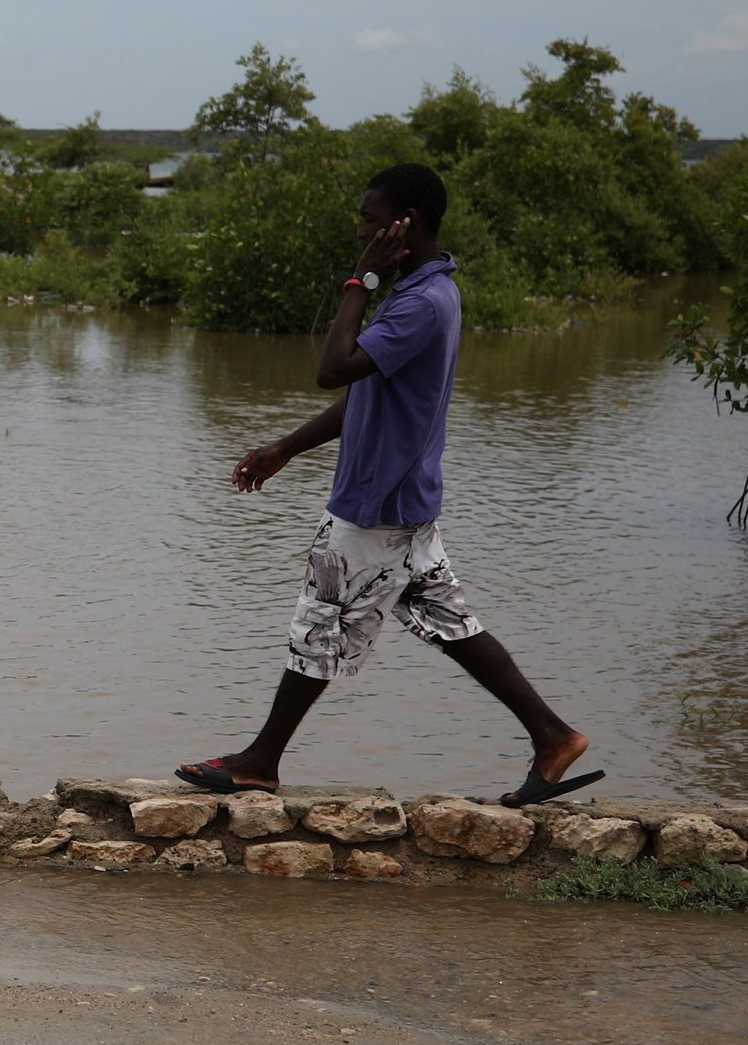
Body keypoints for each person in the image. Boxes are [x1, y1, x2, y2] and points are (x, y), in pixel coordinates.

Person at [177, 162, 598, 808]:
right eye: (366, 225)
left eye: (375, 222)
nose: (365, 233)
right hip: (400, 500)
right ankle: (553, 736)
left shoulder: (422, 301)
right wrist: (286, 447)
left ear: (411, 224)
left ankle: (260, 762)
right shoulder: (421, 295)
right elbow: (362, 393)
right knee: (448, 623)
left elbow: (333, 368)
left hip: (376, 505)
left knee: (319, 623)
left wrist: (360, 280)